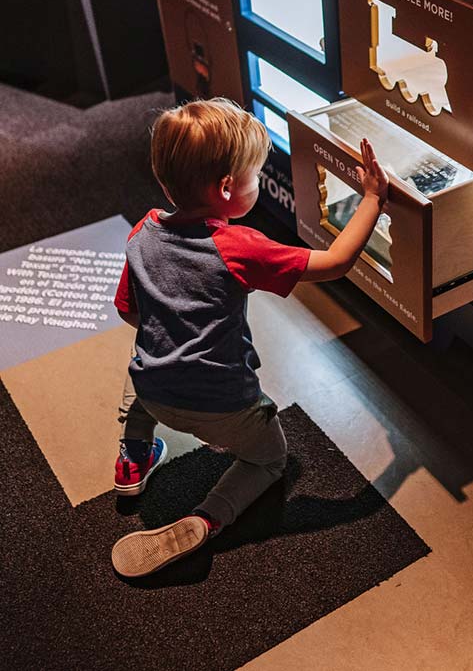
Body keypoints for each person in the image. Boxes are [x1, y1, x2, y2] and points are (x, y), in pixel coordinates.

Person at [110, 98, 389, 578]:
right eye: (256, 176)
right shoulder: (240, 247)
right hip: (225, 405)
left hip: (156, 392)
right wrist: (372, 198)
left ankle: (133, 458)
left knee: (140, 382)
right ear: (226, 189)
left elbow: (129, 311)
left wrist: (173, 337)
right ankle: (209, 515)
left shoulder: (142, 232)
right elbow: (337, 261)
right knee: (269, 461)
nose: (258, 183)